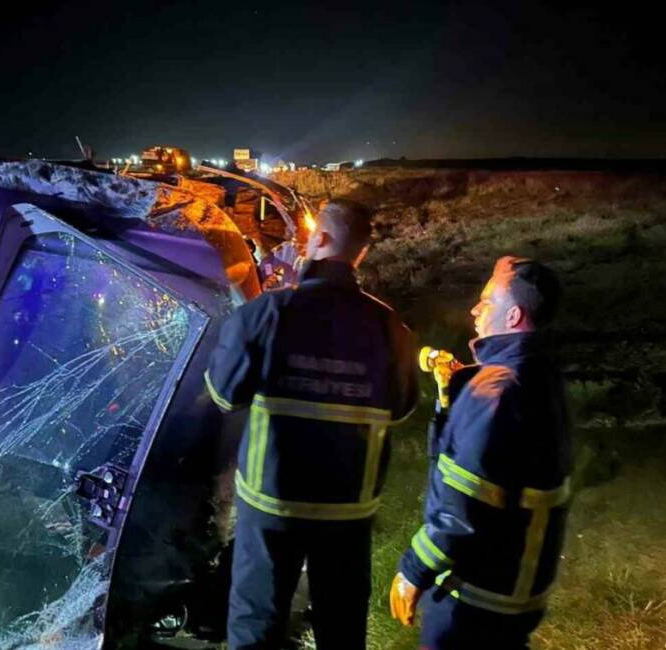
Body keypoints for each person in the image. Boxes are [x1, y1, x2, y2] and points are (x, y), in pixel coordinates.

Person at [204, 198, 418, 649]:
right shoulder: (389, 326)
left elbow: (224, 394)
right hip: (348, 511)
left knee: (257, 625)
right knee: (341, 627)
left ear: (319, 239)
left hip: (272, 504)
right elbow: (401, 408)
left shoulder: (268, 313)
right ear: (360, 253)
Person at [389, 256, 571, 650]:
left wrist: (414, 570)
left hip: (476, 592)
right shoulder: (538, 371)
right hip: (518, 586)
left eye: (487, 302)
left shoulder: (495, 390)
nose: (475, 309)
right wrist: (455, 394)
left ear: (514, 316)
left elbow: (462, 505)